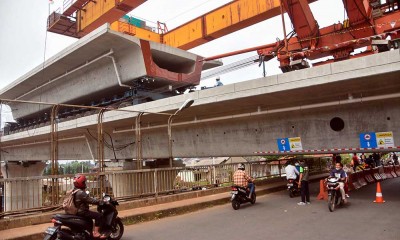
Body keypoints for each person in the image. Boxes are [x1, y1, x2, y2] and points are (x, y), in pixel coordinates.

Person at [73, 174, 106, 238]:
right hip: (82, 212)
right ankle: (96, 232)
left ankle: (89, 233)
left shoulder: (74, 190)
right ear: (81, 183)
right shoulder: (81, 193)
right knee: (99, 216)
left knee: (90, 220)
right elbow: (91, 201)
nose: (85, 183)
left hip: (77, 211)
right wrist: (101, 202)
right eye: (84, 182)